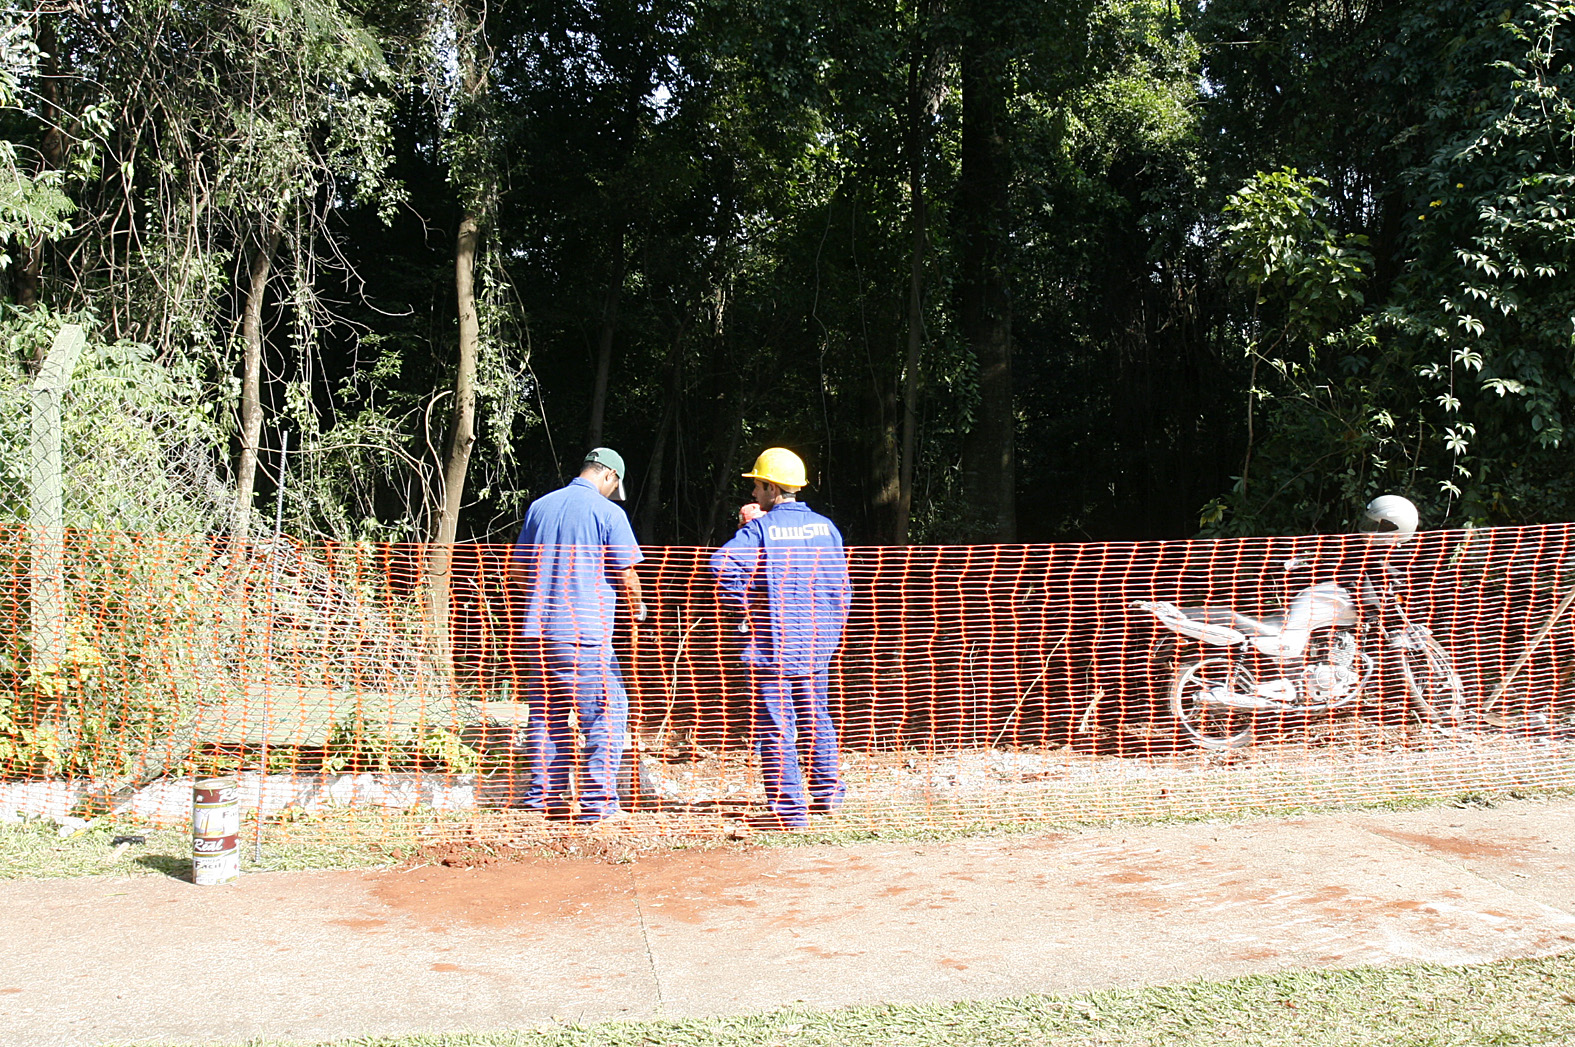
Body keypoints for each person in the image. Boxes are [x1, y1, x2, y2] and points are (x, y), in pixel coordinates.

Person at [710, 447, 851, 829]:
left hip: (772, 644)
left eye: (758, 486)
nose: (753, 493)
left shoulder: (760, 529)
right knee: (817, 717)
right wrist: (830, 631)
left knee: (776, 725)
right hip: (816, 644)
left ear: (772, 488)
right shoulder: (826, 528)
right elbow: (842, 587)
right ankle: (828, 795)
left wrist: (745, 605)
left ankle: (790, 811)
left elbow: (720, 565)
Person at [508, 447, 646, 823]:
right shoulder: (609, 513)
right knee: (606, 712)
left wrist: (547, 597)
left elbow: (517, 572)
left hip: (539, 632)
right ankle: (598, 803)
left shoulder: (540, 507)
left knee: (546, 714)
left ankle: (544, 799)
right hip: (585, 636)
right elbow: (627, 574)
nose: (612, 491)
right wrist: (637, 609)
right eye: (613, 486)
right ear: (609, 476)